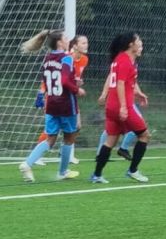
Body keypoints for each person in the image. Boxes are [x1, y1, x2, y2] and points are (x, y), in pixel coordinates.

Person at [18, 30, 86, 182]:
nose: (68, 40)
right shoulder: (66, 58)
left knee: (50, 139)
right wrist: (77, 89)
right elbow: (64, 81)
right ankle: (62, 172)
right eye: (65, 38)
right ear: (60, 42)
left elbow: (52, 80)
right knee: (69, 137)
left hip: (51, 103)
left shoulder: (47, 58)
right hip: (66, 103)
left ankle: (27, 163)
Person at [90, 33, 150, 183]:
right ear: (131, 45)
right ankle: (133, 170)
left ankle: (97, 175)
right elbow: (120, 84)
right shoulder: (125, 61)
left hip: (112, 106)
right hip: (122, 106)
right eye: (139, 41)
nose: (141, 44)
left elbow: (128, 83)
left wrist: (139, 93)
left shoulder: (121, 59)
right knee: (144, 135)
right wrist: (123, 106)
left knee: (111, 140)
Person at [33, 34, 89, 166]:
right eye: (83, 43)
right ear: (74, 46)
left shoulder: (84, 59)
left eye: (86, 43)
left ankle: (65, 153)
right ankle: (37, 155)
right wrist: (41, 93)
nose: (86, 45)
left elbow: (72, 78)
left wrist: (77, 83)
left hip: (69, 97)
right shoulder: (65, 58)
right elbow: (53, 77)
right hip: (57, 96)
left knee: (76, 127)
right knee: (51, 130)